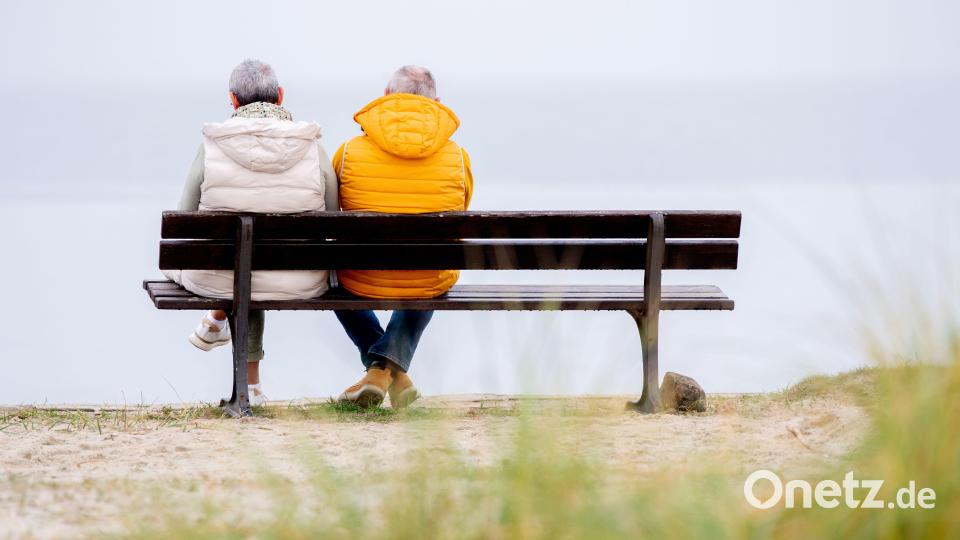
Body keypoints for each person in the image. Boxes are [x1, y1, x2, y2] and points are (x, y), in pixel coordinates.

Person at [165, 59, 339, 405]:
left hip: (219, 277)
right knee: (251, 257)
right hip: (301, 279)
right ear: (280, 96)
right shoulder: (312, 147)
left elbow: (184, 217)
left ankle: (217, 323)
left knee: (242, 259)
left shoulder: (211, 147)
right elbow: (334, 217)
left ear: (232, 100)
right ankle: (250, 382)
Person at [332, 65, 474, 408]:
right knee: (429, 273)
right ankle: (393, 370)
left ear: (385, 96)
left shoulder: (348, 152)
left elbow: (333, 214)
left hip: (361, 278)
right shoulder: (457, 157)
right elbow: (462, 208)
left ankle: (379, 370)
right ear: (437, 103)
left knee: (331, 276)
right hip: (427, 277)